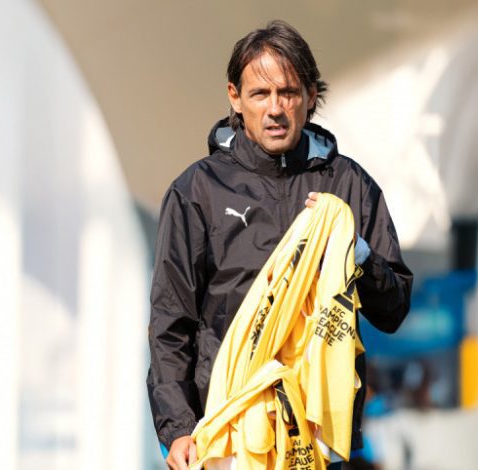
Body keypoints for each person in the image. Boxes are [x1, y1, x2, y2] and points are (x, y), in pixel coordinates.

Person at [147, 20, 414, 470]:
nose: (275, 109)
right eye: (260, 94)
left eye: (288, 93)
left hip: (318, 438)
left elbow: (394, 310)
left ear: (310, 96)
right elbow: (170, 323)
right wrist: (177, 428)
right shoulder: (197, 191)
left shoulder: (348, 185)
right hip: (228, 435)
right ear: (235, 97)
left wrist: (355, 252)